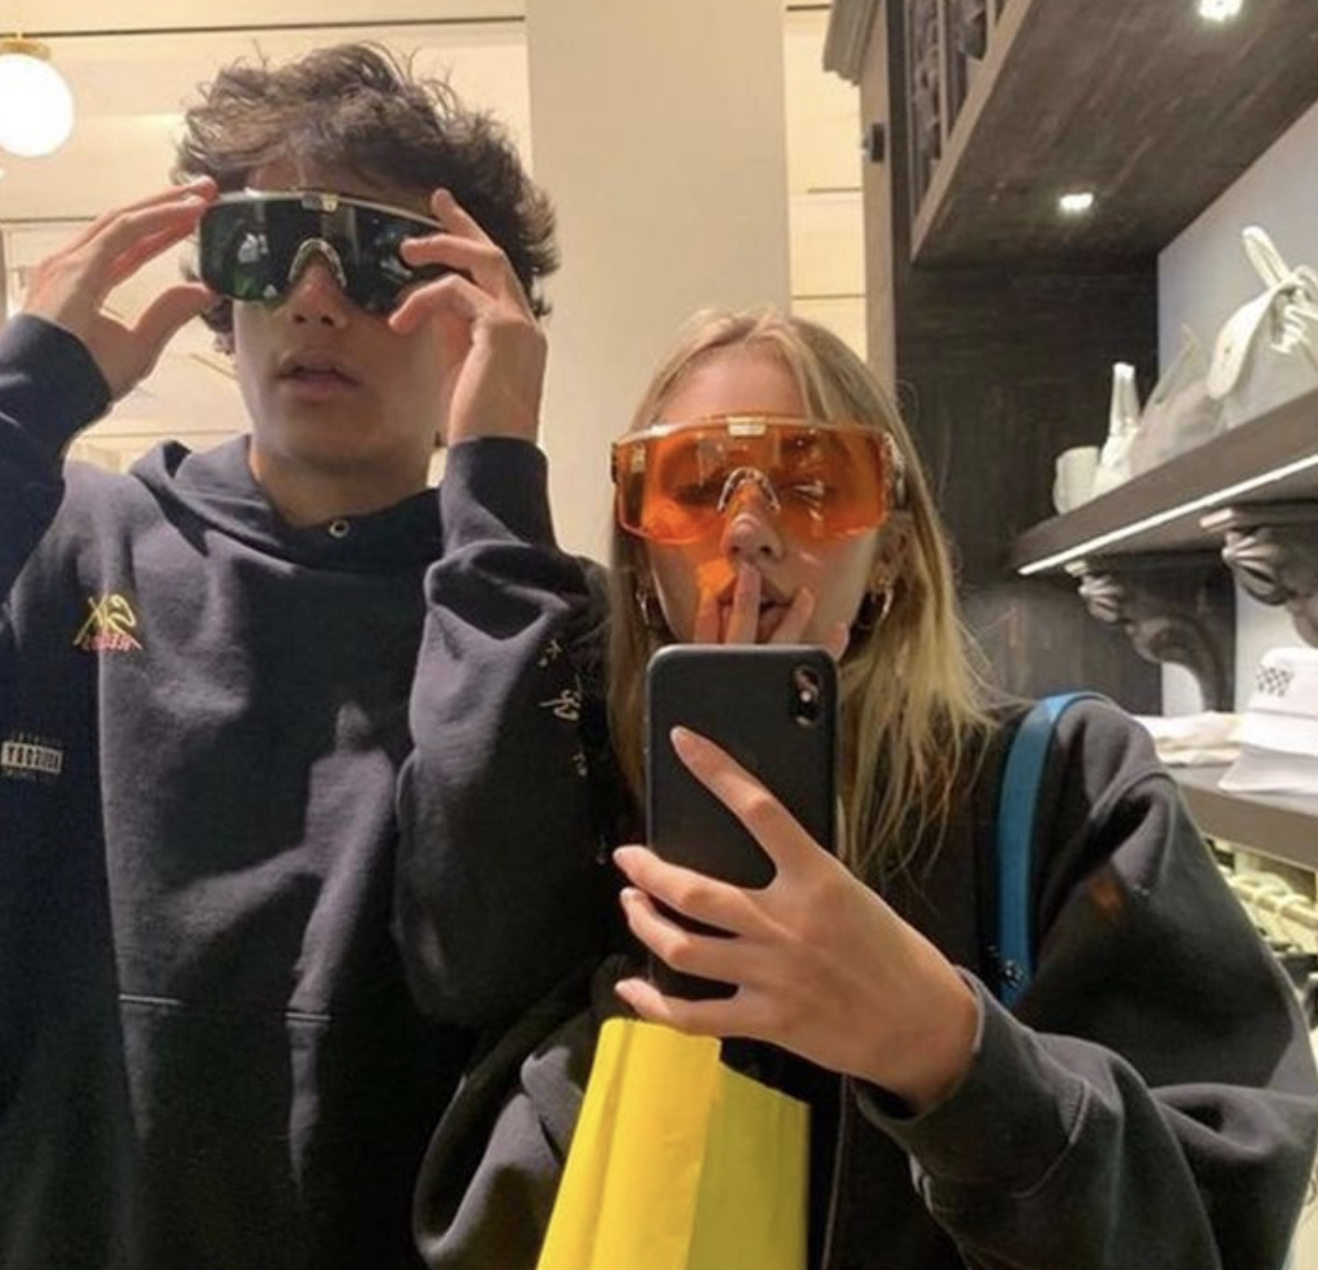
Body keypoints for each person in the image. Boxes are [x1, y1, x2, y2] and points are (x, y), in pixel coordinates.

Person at [400, 307, 1318, 1269]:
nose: (747, 529)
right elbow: (486, 1146)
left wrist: (944, 1048)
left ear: (891, 550)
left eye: (813, 484)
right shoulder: (581, 789)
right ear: (639, 561)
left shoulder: (1066, 781)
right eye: (694, 487)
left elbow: (1223, 1216)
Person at [0, 42, 596, 1270]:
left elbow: (484, 955)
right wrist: (23, 400)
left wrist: (497, 483)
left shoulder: (528, 611)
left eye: (382, 261)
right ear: (221, 297)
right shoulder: (71, 540)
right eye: (269, 247)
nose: (317, 302)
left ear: (478, 320)